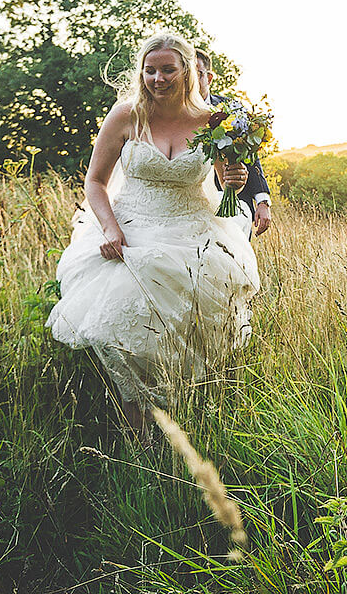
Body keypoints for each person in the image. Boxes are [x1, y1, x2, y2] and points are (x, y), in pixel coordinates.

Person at [45, 31, 261, 437]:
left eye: (168, 69)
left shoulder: (212, 121)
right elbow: (95, 181)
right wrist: (110, 228)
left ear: (187, 72)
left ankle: (190, 426)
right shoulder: (125, 116)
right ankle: (140, 438)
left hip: (194, 232)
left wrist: (236, 179)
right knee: (125, 332)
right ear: (140, 71)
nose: (158, 78)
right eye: (150, 70)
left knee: (190, 333)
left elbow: (224, 181)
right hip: (131, 232)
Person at [196, 50, 273, 237]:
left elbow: (250, 156)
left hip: (234, 200)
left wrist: (262, 201)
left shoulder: (232, 109)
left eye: (196, 73)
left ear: (209, 77)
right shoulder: (172, 115)